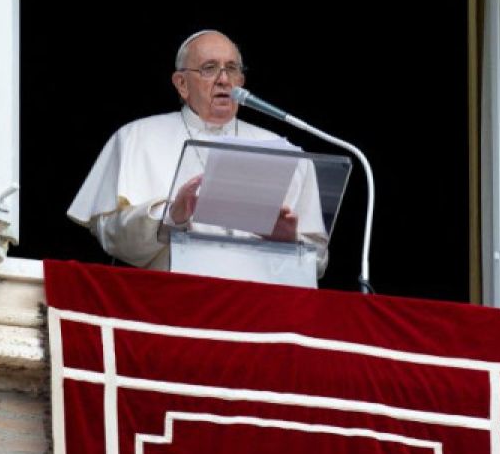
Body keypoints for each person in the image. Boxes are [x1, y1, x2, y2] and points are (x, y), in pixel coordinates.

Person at [67, 29, 328, 272]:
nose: (224, 80)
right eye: (209, 68)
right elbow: (109, 235)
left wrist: (288, 241)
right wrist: (171, 216)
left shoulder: (285, 151)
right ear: (182, 83)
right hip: (170, 306)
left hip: (259, 309)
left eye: (232, 69)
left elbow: (319, 261)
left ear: (242, 80)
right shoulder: (136, 137)